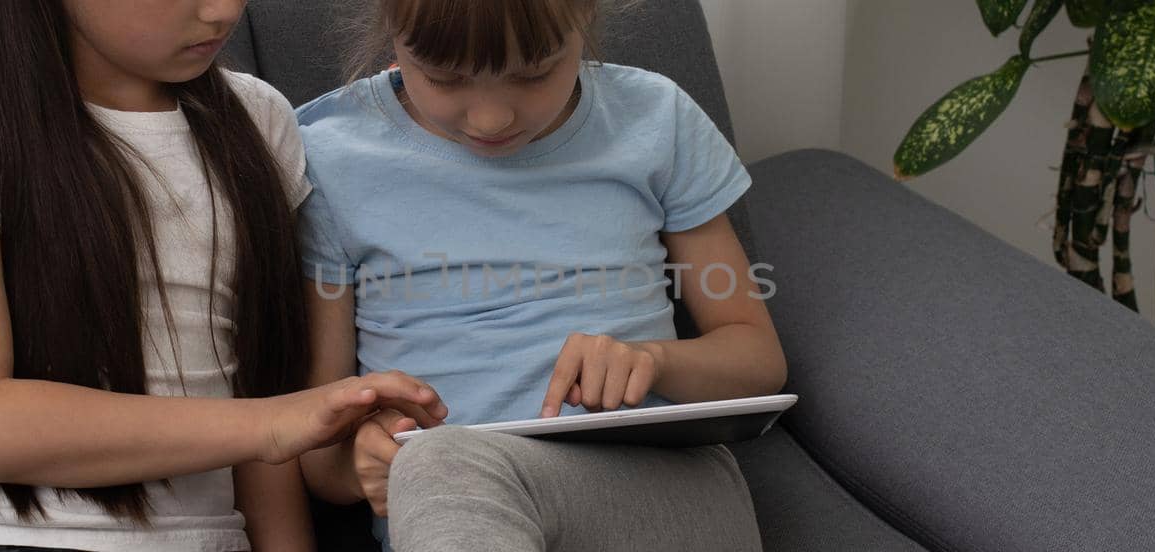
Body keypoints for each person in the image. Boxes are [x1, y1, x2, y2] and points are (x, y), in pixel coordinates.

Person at [0, 1, 444, 550]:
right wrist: (273, 423)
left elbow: (264, 423)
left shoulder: (260, 120)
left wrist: (275, 434)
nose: (225, 10)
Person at [295, 0, 787, 549]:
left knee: (444, 460)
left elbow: (758, 362)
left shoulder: (653, 118)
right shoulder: (327, 152)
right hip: (453, 501)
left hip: (663, 489)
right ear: (394, 32)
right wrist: (356, 462)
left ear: (586, 20)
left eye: (533, 74)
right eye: (444, 77)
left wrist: (653, 361)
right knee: (442, 461)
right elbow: (319, 454)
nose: (491, 119)